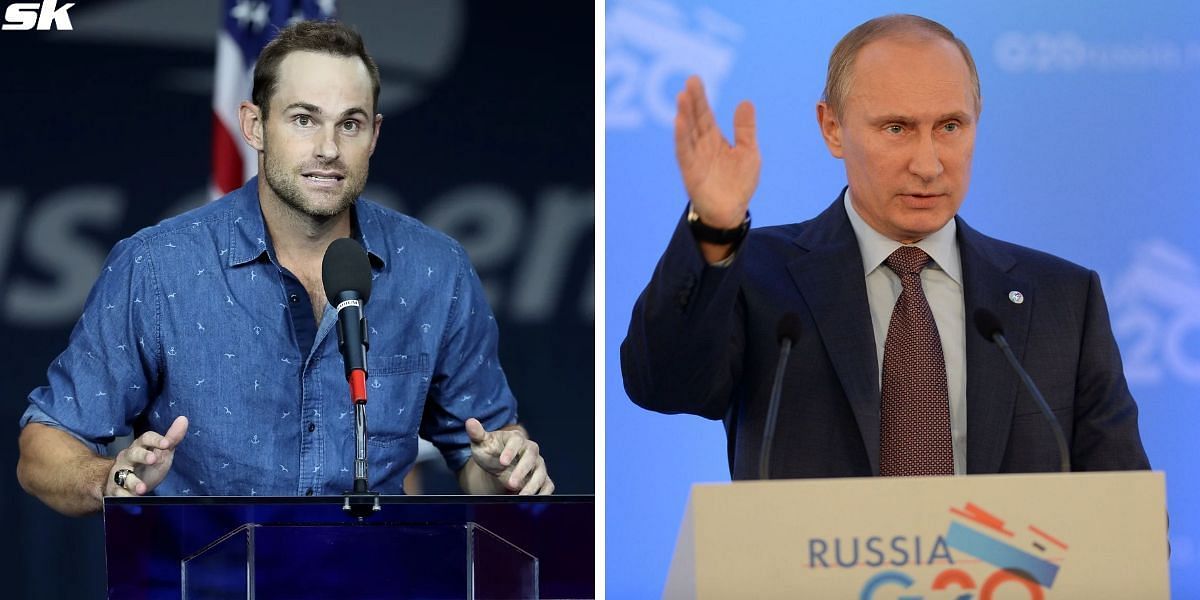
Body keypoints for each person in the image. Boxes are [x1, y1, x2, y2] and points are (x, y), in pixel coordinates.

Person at [17, 20, 553, 517]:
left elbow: (481, 456)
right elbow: (44, 446)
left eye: (350, 124)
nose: (328, 149)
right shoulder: (157, 267)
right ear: (254, 126)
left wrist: (502, 474)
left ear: (375, 136)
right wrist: (111, 476)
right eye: (303, 119)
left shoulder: (437, 270)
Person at [621, 14, 1150, 479]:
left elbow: (1125, 515)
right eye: (896, 128)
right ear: (832, 128)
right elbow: (663, 384)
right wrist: (714, 227)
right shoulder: (756, 275)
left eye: (949, 126)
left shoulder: (1062, 298)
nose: (928, 163)